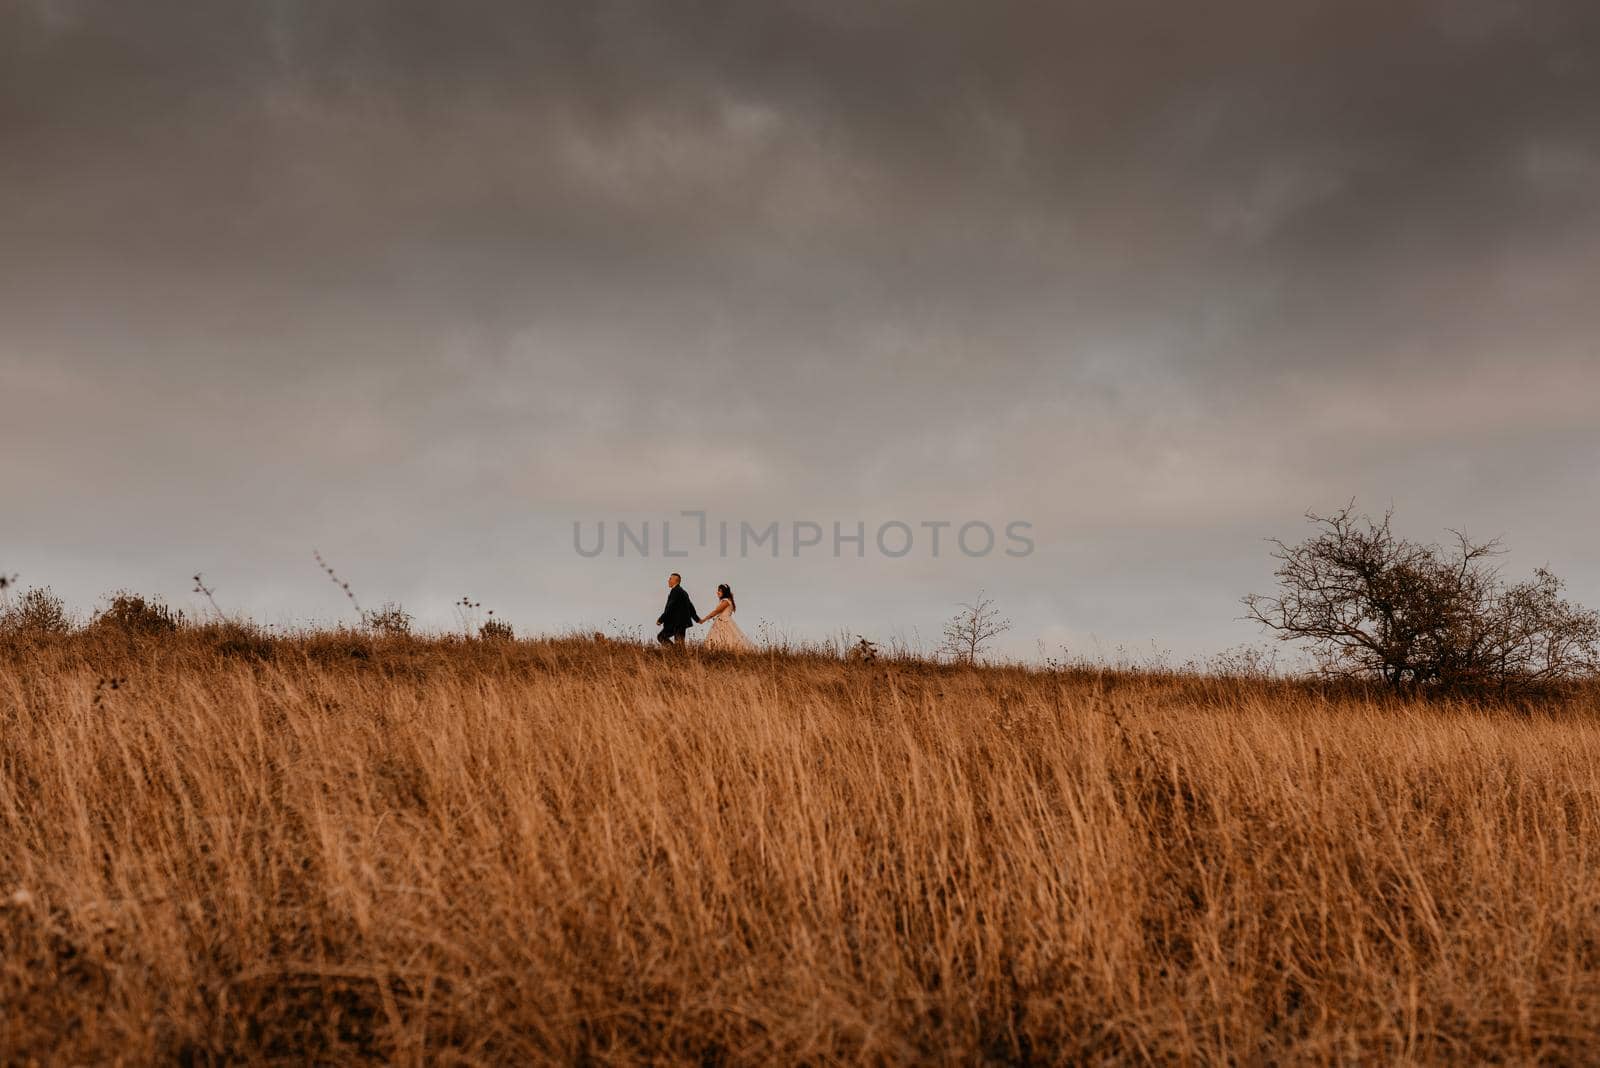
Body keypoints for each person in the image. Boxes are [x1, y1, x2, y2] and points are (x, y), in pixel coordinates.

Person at [700, 583, 755, 652]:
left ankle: (722, 652)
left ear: (724, 592)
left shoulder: (726, 601)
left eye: (720, 591)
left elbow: (716, 611)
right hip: (722, 621)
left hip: (723, 621)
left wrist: (704, 619)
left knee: (725, 638)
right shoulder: (727, 601)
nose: (718, 592)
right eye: (718, 590)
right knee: (722, 638)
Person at [656, 572, 699, 645]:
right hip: (681, 623)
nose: (668, 580)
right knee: (680, 644)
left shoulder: (676, 591)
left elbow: (670, 607)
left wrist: (661, 619)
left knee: (661, 637)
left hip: (676, 623)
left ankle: (674, 652)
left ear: (675, 580)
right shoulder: (683, 591)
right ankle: (676, 653)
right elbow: (690, 606)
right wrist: (697, 619)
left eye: (670, 579)